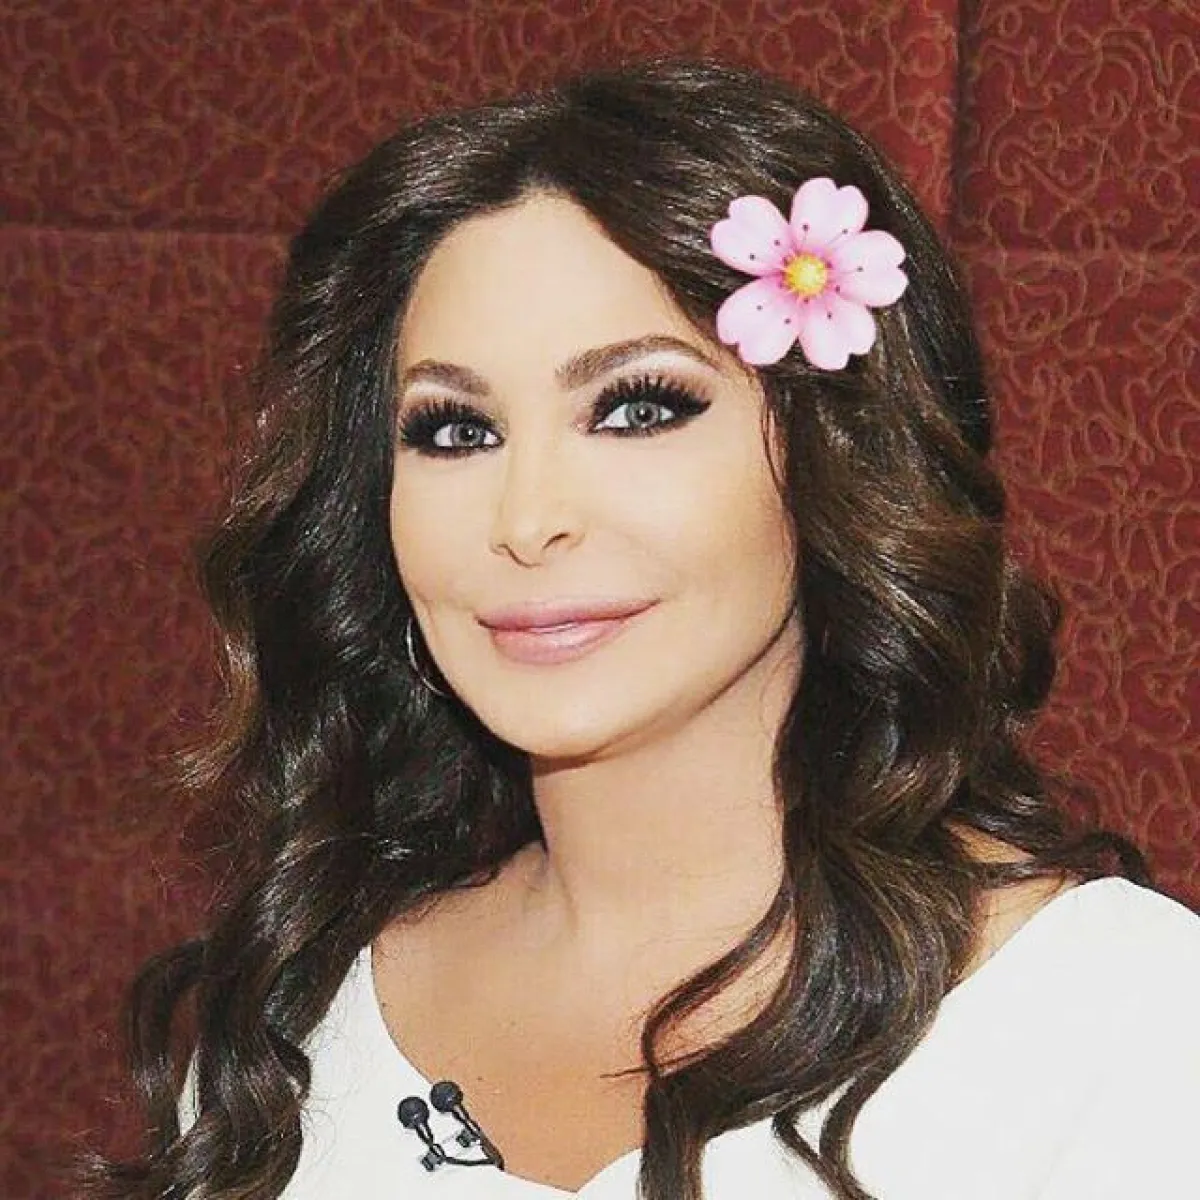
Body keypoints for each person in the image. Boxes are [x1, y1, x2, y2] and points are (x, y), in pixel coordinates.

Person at [87, 60, 1200, 1200]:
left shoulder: (1122, 1027)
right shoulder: (299, 1015)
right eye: (455, 431)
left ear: (835, 454)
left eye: (638, 408)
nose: (527, 520)